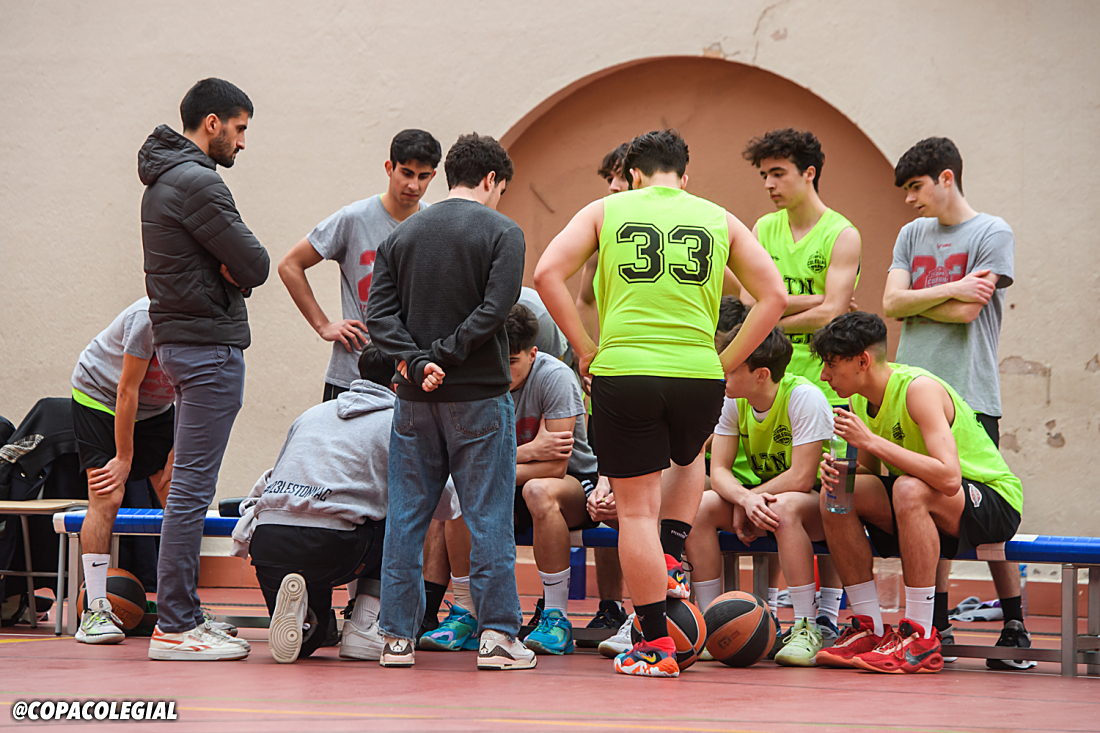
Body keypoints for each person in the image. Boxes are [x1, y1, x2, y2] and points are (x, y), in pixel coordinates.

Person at [534, 129, 788, 677]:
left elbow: (546, 274)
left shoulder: (606, 210)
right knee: (689, 459)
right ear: (684, 177)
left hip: (627, 370)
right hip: (698, 373)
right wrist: (725, 360)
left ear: (630, 174)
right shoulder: (717, 216)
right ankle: (672, 560)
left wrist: (584, 348)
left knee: (634, 513)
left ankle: (655, 647)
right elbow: (775, 296)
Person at [366, 133, 535, 671]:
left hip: (413, 399)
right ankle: (498, 638)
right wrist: (448, 353)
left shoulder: (403, 234)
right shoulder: (504, 231)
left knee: (406, 518)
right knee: (487, 519)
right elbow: (497, 307)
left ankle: (395, 638)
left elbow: (379, 318)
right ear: (491, 180)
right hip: (481, 397)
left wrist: (418, 364)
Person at [883, 136, 1032, 669]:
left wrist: (918, 304)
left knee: (980, 507)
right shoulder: (910, 234)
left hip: (970, 393)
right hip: (915, 392)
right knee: (928, 506)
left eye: (916, 187)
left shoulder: (992, 232)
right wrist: (947, 292)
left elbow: (971, 312)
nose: (909, 199)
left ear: (947, 178)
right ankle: (936, 620)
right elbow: (890, 303)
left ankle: (1014, 620)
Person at [812, 312, 1024, 674]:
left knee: (910, 489)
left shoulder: (918, 389)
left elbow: (948, 476)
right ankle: (867, 626)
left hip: (991, 500)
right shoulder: (863, 398)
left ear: (862, 360)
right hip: (927, 499)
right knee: (838, 491)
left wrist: (871, 441)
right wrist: (837, 471)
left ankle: (921, 636)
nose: (824, 375)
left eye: (831, 364)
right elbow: (868, 470)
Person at [139, 78, 269, 661]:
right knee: (191, 490)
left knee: (188, 488)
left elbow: (234, 265)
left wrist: (231, 269)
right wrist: (236, 271)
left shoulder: (164, 179)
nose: (243, 143)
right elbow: (257, 263)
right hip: (208, 346)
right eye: (240, 128)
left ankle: (182, 611)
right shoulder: (197, 182)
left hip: (181, 343)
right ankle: (174, 624)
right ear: (211, 123)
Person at [229, 345, 459, 663]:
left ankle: (305, 614)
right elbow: (444, 503)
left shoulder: (311, 414)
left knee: (314, 640)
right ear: (400, 382)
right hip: (332, 547)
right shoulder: (401, 422)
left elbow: (274, 473)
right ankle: (364, 629)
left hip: (268, 542)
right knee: (403, 519)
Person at [741, 128, 858, 650]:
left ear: (809, 172)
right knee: (778, 494)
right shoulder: (762, 228)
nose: (768, 183)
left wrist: (774, 309)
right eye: (763, 174)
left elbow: (834, 312)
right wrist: (797, 304)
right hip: (769, 388)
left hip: (824, 385)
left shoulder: (842, 233)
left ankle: (829, 615)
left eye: (778, 173)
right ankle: (776, 610)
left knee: (831, 500)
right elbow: (747, 304)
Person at [684, 325, 836, 667]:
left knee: (783, 507)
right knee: (703, 505)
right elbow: (718, 471)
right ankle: (712, 622)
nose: (723, 370)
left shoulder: (804, 397)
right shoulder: (732, 400)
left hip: (813, 506)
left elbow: (801, 476)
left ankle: (806, 626)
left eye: (733, 365)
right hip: (763, 500)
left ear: (761, 374)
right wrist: (744, 499)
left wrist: (750, 498)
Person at [279, 129, 442, 401]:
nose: (414, 185)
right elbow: (290, 265)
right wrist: (323, 325)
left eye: (423, 176)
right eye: (407, 173)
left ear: (433, 176)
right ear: (389, 168)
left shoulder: (436, 223)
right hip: (352, 375)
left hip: (410, 377)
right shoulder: (355, 219)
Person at [70, 297, 175, 644]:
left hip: (157, 409)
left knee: (175, 490)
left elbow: (198, 394)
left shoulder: (213, 323)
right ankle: (95, 611)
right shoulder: (148, 317)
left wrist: (177, 453)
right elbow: (126, 390)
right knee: (108, 494)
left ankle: (180, 608)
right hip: (101, 396)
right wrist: (124, 458)